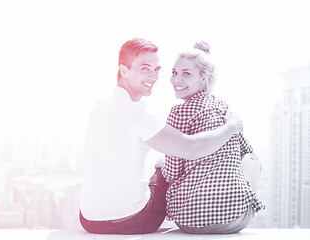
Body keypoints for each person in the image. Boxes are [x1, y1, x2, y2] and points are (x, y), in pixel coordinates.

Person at [79, 38, 243, 234]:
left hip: (89, 219)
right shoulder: (137, 112)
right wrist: (231, 127)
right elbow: (191, 149)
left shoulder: (102, 102)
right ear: (124, 71)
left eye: (157, 69)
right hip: (134, 219)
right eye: (145, 68)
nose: (154, 76)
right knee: (163, 166)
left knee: (159, 164)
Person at [161, 41, 265, 234]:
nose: (176, 79)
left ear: (204, 78)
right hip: (236, 219)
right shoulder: (225, 108)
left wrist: (163, 167)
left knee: (162, 168)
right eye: (174, 72)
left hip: (190, 221)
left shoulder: (178, 112)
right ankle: (240, 197)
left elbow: (173, 171)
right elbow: (249, 153)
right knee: (250, 161)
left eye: (186, 73)